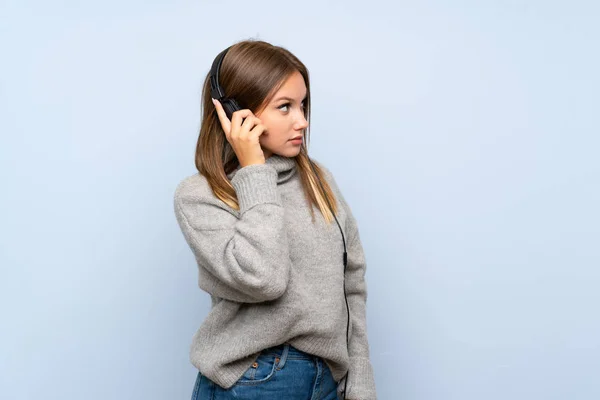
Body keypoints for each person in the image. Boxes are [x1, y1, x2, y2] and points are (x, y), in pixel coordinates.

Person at [173, 39, 377, 400]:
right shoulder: (200, 196)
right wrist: (254, 170)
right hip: (255, 382)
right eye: (285, 107)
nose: (302, 121)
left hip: (326, 381)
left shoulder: (319, 180)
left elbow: (352, 283)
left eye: (303, 105)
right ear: (238, 114)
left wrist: (359, 382)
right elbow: (263, 279)